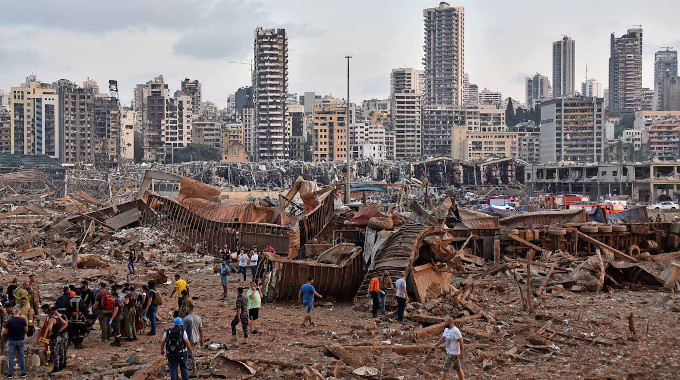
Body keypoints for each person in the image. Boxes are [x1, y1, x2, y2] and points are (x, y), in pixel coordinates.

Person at [3, 307, 28, 378]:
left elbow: (4, 332)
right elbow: (26, 330)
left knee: (11, 357)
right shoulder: (22, 320)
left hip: (12, 340)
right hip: (20, 340)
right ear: (19, 312)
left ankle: (10, 373)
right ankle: (23, 373)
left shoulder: (9, 321)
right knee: (21, 357)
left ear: (13, 312)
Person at [45, 308, 68, 374]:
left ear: (49, 314)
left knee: (54, 353)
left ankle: (56, 368)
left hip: (54, 338)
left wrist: (50, 333)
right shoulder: (59, 318)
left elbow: (49, 328)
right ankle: (62, 365)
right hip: (60, 337)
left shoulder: (52, 319)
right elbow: (65, 324)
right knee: (61, 351)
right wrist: (58, 331)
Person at [182, 303, 202, 376]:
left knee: (190, 354)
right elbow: (201, 330)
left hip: (189, 340)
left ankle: (194, 371)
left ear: (187, 309)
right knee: (191, 353)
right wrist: (201, 339)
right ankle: (191, 368)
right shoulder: (198, 318)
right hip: (196, 338)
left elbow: (183, 331)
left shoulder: (186, 319)